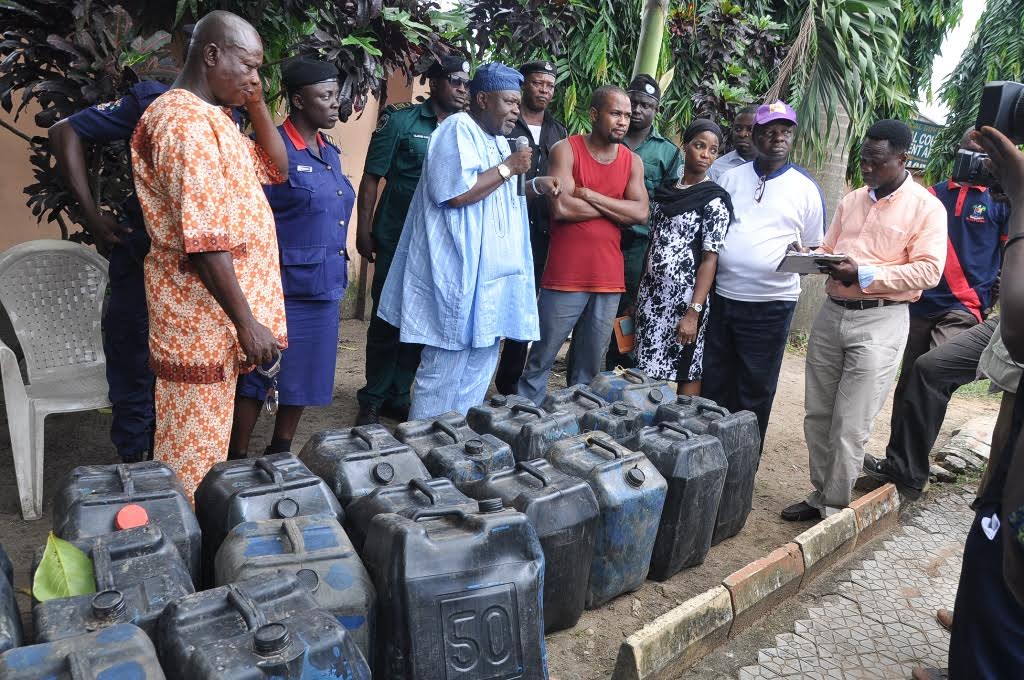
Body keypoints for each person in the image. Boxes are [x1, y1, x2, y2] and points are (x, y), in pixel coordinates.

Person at [130, 10, 288, 497]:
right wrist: (247, 322)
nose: (254, 78)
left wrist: (256, 102)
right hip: (200, 327)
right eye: (250, 66)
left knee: (208, 454)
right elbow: (204, 243)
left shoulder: (215, 119)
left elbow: (276, 169)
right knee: (190, 460)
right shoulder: (183, 124)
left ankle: (196, 546)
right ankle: (178, 552)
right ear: (212, 54)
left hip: (217, 327)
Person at [781, 119, 947, 522]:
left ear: (902, 158)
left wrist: (866, 274)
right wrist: (810, 253)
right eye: (864, 159)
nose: (867, 168)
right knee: (818, 414)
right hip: (831, 314)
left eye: (876, 160)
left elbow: (929, 271)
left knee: (850, 423)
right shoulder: (852, 199)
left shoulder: (926, 208)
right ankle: (822, 494)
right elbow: (831, 247)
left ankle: (835, 511)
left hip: (881, 321)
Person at [376, 63, 560, 419]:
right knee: (444, 371)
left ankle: (453, 448)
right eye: (508, 102)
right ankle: (424, 448)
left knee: (477, 370)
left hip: (491, 283)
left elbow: (494, 194)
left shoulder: (495, 141)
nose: (515, 111)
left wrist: (533, 184)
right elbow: (456, 193)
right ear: (482, 99)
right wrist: (509, 167)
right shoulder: (457, 129)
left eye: (516, 103)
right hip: (459, 277)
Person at [911, 123, 1024, 680]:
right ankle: (976, 623)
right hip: (1009, 332)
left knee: (1009, 522)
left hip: (1003, 318)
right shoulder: (947, 193)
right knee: (993, 505)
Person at [863, 131, 1009, 498]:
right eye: (966, 150)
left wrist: (987, 299)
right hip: (921, 303)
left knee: (933, 371)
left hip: (962, 307)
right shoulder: (932, 195)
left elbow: (1009, 257)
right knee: (912, 379)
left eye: (980, 153)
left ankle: (910, 472)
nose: (971, 158)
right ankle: (899, 465)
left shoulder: (999, 202)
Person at [228, 58, 353, 459]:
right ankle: (235, 458)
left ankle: (280, 451)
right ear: (299, 100)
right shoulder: (271, 147)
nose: (336, 104)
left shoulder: (328, 153)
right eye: (326, 96)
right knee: (259, 375)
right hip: (280, 286)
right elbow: (245, 212)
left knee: (307, 375)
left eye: (337, 95)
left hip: (325, 283)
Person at [48, 79, 169, 463]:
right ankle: (135, 470)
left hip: (197, 274)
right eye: (243, 61)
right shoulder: (152, 101)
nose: (251, 72)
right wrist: (93, 215)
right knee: (136, 366)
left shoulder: (230, 110)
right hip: (143, 260)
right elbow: (65, 130)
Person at [353, 55, 470, 425]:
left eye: (466, 83)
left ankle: (399, 393)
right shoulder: (402, 120)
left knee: (421, 320)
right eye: (455, 82)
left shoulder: (467, 129)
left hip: (439, 244)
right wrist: (363, 229)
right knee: (387, 319)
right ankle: (372, 397)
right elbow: (373, 177)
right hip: (395, 232)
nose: (463, 89)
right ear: (433, 84)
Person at [702, 100, 825, 447]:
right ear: (755, 135)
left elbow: (814, 246)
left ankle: (742, 465)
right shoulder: (729, 178)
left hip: (771, 304)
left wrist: (804, 254)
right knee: (716, 382)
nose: (778, 138)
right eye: (770, 131)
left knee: (755, 388)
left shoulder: (806, 188)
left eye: (785, 132)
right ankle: (708, 457)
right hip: (724, 297)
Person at [517, 86, 649, 405]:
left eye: (627, 116)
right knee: (541, 358)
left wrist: (589, 195)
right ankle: (523, 419)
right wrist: (618, 207)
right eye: (615, 113)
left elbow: (642, 212)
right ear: (594, 114)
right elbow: (561, 208)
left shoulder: (632, 162)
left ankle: (577, 430)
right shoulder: (567, 149)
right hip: (565, 275)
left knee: (589, 369)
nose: (623, 121)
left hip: (608, 279)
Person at [634, 119, 732, 395]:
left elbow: (709, 259)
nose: (705, 154)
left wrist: (693, 312)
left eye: (713, 150)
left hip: (685, 301)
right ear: (684, 146)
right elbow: (652, 244)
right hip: (653, 297)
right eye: (699, 146)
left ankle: (683, 429)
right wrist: (639, 294)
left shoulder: (714, 200)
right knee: (646, 366)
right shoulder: (666, 193)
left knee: (686, 368)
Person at [493, 59, 568, 395]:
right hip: (503, 227)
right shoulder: (506, 121)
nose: (544, 90)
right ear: (524, 85)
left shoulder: (558, 131)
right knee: (495, 300)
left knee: (525, 307)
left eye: (550, 85)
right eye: (538, 83)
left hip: (540, 234)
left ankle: (508, 384)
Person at [606, 73, 683, 369]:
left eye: (645, 105)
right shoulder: (607, 138)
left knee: (628, 310)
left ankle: (619, 369)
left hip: (639, 246)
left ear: (656, 110)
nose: (637, 110)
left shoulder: (667, 152)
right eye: (633, 103)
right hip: (603, 237)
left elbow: (667, 206)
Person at [707, 105, 757, 182]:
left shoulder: (774, 165)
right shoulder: (716, 168)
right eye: (738, 129)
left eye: (750, 129)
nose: (742, 134)